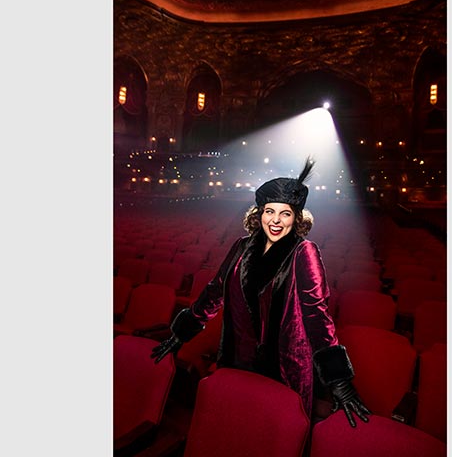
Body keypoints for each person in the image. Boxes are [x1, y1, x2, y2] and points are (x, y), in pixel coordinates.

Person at [151, 157, 370, 428]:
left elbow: (317, 314)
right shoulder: (241, 246)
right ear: (259, 214)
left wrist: (338, 379)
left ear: (296, 218)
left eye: (285, 213)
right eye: (269, 211)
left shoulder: (304, 251)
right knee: (234, 427)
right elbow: (215, 291)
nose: (276, 220)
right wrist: (182, 333)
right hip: (237, 357)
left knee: (276, 434)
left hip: (284, 366)